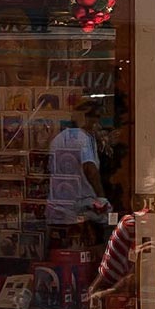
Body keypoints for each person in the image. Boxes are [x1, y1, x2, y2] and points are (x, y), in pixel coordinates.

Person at [46, 98, 109, 236]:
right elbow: (90, 169)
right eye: (96, 117)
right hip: (81, 207)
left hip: (59, 206)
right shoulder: (84, 139)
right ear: (86, 118)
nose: (97, 123)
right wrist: (102, 198)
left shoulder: (58, 138)